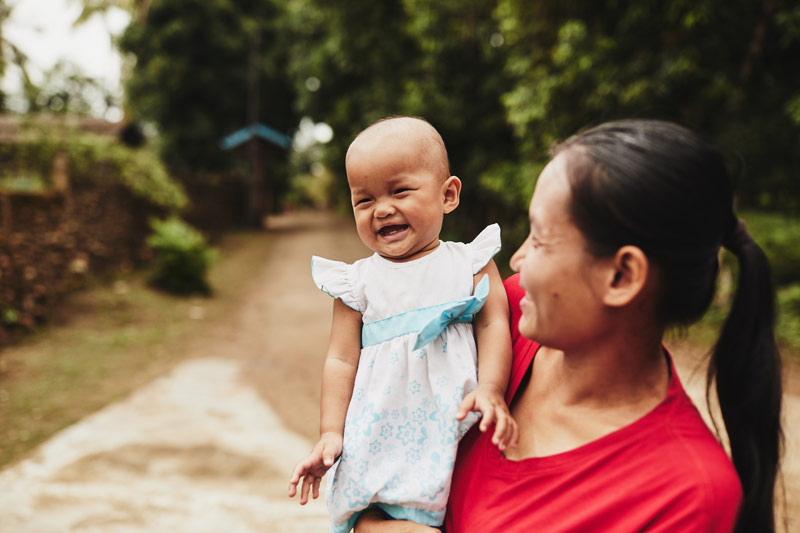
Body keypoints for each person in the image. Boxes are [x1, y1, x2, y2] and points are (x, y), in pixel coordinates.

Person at [355, 119, 783, 532]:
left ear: (621, 276)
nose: (518, 259)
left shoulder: (684, 496)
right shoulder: (505, 318)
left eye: (539, 239)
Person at [288, 116, 518, 532]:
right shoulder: (356, 284)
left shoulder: (469, 263)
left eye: (400, 191)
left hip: (454, 434)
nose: (383, 209)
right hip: (379, 445)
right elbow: (341, 359)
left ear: (448, 195)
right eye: (364, 200)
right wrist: (329, 433)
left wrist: (492, 390)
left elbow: (494, 325)